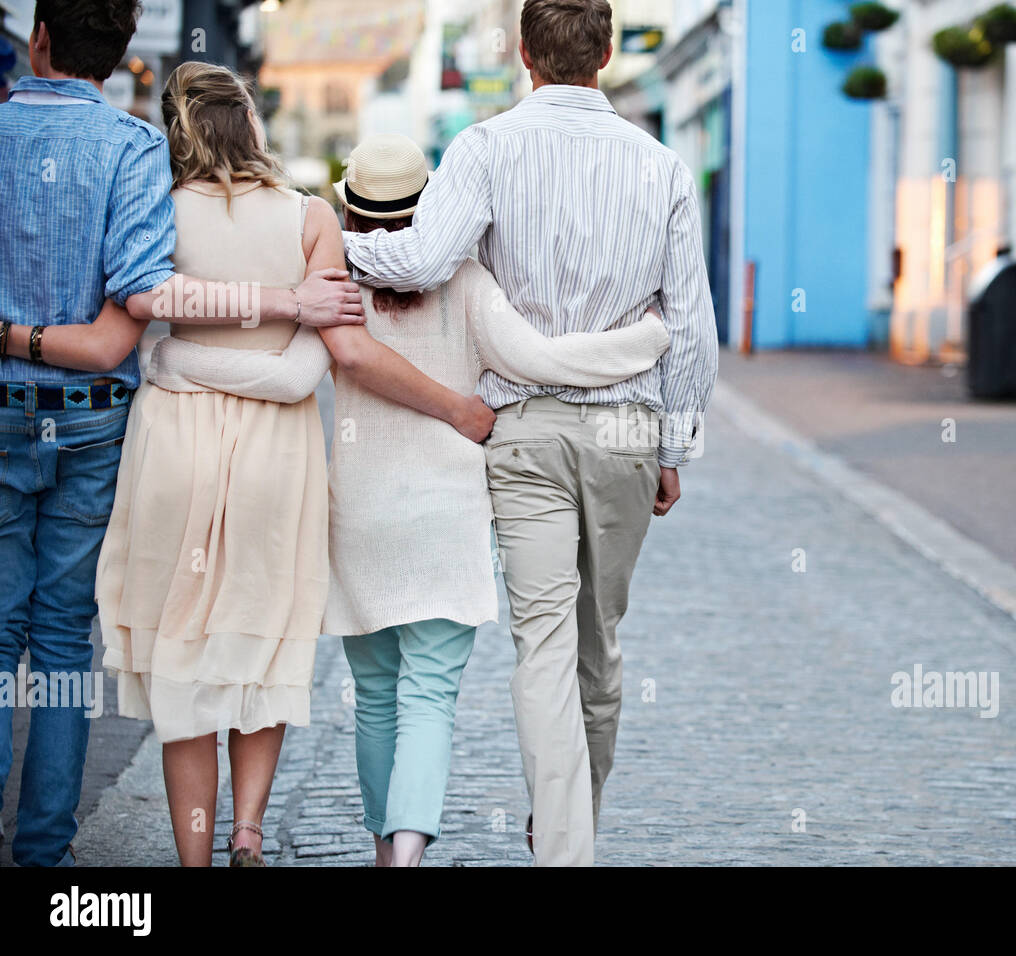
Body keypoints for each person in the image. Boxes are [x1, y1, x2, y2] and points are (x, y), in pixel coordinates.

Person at [148, 134, 670, 865]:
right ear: (430, 208)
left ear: (349, 212)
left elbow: (287, 376)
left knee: (375, 695)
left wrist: (166, 356)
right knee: (430, 694)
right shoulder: (467, 283)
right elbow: (541, 360)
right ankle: (405, 854)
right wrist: (643, 341)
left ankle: (375, 841)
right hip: (447, 519)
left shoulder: (337, 287)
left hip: (359, 516)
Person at [343, 0, 720, 866]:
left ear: (523, 54)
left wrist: (335, 248)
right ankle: (571, 817)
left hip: (523, 432)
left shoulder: (484, 147)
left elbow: (425, 260)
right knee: (600, 643)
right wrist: (674, 449)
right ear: (609, 53)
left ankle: (562, 842)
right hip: (628, 428)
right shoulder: (661, 166)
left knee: (543, 643)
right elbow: (691, 325)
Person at [0, 0, 357, 868]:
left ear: (37, 37)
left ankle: (189, 857)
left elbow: (149, 307)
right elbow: (293, 366)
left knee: (171, 653)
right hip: (215, 446)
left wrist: (170, 368)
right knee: (240, 640)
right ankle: (219, 836)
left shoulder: (160, 193)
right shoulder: (295, 214)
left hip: (158, 442)